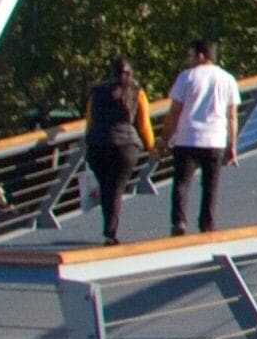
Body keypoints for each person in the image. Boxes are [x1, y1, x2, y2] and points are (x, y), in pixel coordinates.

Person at [162, 38, 239, 236]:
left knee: (181, 183)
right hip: (215, 139)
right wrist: (233, 145)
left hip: (187, 138)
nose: (189, 60)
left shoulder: (187, 77)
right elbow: (232, 116)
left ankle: (179, 222)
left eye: (190, 55)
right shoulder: (228, 79)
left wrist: (164, 139)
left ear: (200, 55)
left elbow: (175, 111)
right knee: (210, 185)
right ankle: (207, 224)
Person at [80, 56, 152, 246]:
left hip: (97, 145)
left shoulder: (96, 92)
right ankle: (110, 232)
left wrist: (89, 141)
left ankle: (108, 230)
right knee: (116, 189)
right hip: (125, 147)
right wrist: (152, 147)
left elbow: (89, 120)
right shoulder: (137, 93)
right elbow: (144, 125)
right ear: (131, 73)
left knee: (106, 188)